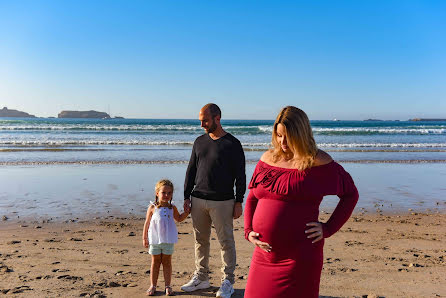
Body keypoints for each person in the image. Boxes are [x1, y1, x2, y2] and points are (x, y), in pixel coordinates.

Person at [244, 106, 359, 298]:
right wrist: (248, 231)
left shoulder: (319, 162)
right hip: (264, 255)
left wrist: (328, 228)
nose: (283, 142)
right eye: (279, 135)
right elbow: (253, 197)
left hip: (299, 257)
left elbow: (350, 195)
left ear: (302, 133)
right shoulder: (267, 158)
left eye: (289, 136)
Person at [181, 103, 246, 298]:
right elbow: (191, 170)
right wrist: (186, 196)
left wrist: (238, 201)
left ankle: (228, 281)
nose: (202, 124)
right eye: (200, 120)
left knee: (226, 241)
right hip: (198, 199)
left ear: (217, 118)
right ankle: (201, 278)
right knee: (200, 241)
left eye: (205, 120)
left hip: (223, 201)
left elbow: (240, 176)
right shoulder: (199, 141)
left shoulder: (233, 144)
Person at [142, 179, 189, 296]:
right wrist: (144, 238)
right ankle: (153, 285)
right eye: (164, 192)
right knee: (155, 262)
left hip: (168, 240)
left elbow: (178, 218)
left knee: (167, 262)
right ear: (157, 193)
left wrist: (187, 212)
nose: (166, 195)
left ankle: (168, 286)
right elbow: (147, 223)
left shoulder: (172, 208)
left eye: (169, 193)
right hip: (155, 240)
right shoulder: (152, 207)